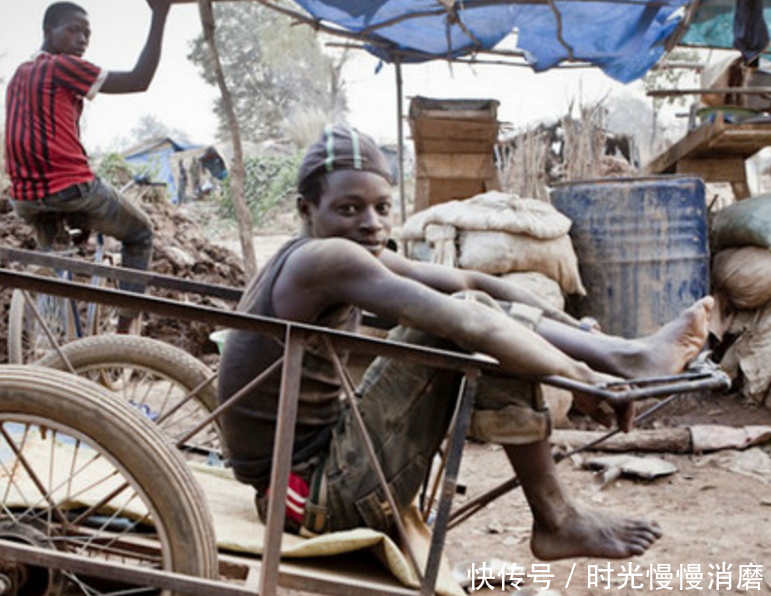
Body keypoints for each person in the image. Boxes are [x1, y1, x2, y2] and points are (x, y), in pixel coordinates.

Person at [218, 124, 713, 561]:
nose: (371, 222)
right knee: (461, 325)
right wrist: (578, 377)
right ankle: (557, 514)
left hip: (312, 472)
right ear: (308, 209)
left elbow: (475, 284)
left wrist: (578, 334)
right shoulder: (325, 261)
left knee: (470, 306)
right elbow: (471, 322)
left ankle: (626, 356)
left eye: (382, 207)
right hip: (313, 496)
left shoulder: (337, 252)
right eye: (349, 208)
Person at [4, 0, 172, 333]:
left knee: (58, 261)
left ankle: (49, 336)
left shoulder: (18, 76)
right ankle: (125, 331)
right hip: (70, 188)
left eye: (87, 33)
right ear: (47, 32)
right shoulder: (61, 66)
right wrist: (160, 14)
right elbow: (140, 80)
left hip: (24, 198)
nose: (82, 39)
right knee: (140, 233)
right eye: (73, 30)